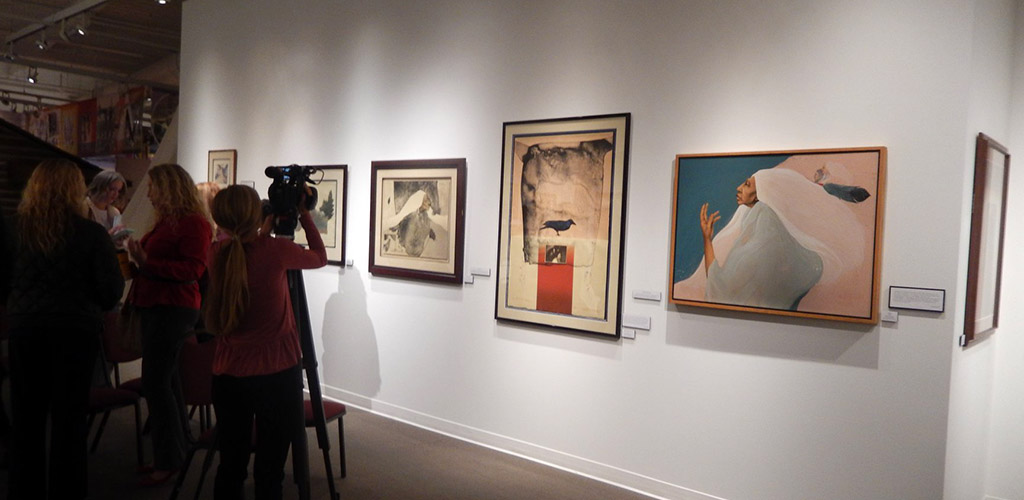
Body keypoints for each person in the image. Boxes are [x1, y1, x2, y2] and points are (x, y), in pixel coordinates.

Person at [5, 159, 125, 499]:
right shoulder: (90, 234)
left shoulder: (13, 228)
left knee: (26, 419)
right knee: (69, 421)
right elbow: (111, 291)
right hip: (75, 332)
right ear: (75, 190)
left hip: (26, 330)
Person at [204, 185, 326, 499]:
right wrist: (304, 215)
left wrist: (264, 230)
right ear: (256, 213)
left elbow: (243, 250)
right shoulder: (275, 251)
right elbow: (319, 257)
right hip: (276, 373)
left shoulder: (215, 254)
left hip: (229, 374)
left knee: (231, 464)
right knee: (271, 469)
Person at [125, 163, 213, 486]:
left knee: (157, 383)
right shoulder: (169, 221)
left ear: (170, 188)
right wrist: (139, 262)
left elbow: (192, 270)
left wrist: (148, 262)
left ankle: (169, 458)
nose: (148, 193)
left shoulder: (194, 223)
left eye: (153, 187)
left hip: (173, 310)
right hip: (158, 306)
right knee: (167, 384)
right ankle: (175, 452)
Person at [695, 168, 863, 311]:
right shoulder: (764, 224)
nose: (738, 188)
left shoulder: (764, 235)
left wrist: (707, 240)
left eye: (747, 185)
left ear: (761, 194)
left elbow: (721, 288)